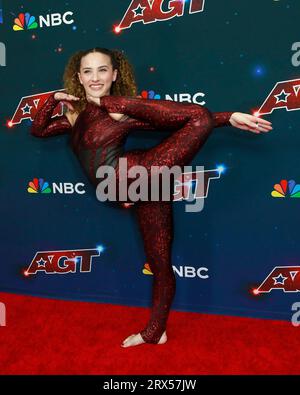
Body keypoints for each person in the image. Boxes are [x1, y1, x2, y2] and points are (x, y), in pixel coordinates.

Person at [31, 47, 272, 348]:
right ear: (78, 77)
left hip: (141, 174)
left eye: (103, 70)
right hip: (134, 189)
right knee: (158, 260)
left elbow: (190, 118)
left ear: (114, 74)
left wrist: (229, 117)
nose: (95, 77)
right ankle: (156, 332)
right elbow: (38, 129)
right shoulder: (72, 115)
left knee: (199, 119)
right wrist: (53, 100)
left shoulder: (122, 110)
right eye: (88, 71)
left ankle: (155, 331)